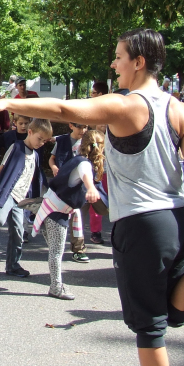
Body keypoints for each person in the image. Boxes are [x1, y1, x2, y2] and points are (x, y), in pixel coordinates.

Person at [0, 29, 184, 366]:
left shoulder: (125, 104)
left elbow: (63, 107)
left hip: (140, 225)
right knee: (174, 313)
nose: (114, 63)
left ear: (139, 62)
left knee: (150, 331)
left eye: (119, 57)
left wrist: (7, 103)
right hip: (177, 220)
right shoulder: (181, 110)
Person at [32, 129, 108, 300]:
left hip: (52, 208)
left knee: (55, 250)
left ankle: (56, 284)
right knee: (56, 252)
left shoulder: (78, 160)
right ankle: (56, 287)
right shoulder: (84, 164)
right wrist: (91, 188)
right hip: (55, 211)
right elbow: (86, 175)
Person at [0, 118, 52, 277]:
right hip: (8, 194)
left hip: (20, 199)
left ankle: (13, 265)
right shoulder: (17, 147)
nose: (41, 143)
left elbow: (32, 178)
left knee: (18, 232)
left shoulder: (34, 154)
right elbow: (1, 169)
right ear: (30, 132)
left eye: (44, 141)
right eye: (39, 139)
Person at [49, 121, 90, 262]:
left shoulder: (89, 141)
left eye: (85, 126)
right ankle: (55, 245)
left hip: (80, 187)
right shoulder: (62, 141)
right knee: (58, 216)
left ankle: (78, 249)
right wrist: (54, 168)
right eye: (79, 126)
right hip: (63, 185)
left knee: (78, 218)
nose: (83, 130)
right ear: (71, 126)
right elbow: (52, 159)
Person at [88, 81, 109, 244]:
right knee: (96, 200)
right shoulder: (91, 112)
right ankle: (95, 232)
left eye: (93, 93)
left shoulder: (110, 111)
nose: (91, 96)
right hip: (96, 167)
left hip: (111, 168)